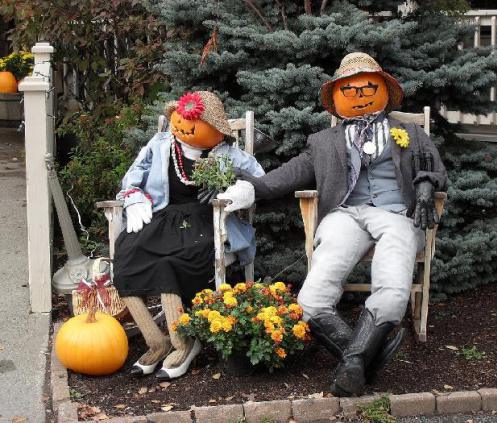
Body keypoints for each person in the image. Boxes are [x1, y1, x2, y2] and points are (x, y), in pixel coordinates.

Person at [219, 52, 447, 395]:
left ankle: (354, 363)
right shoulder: (323, 141)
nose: (359, 94)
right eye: (349, 90)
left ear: (384, 91)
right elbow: (290, 173)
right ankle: (361, 359)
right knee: (313, 295)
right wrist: (251, 186)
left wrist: (426, 187)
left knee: (393, 280)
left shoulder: (410, 132)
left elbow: (434, 169)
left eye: (368, 87)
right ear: (337, 98)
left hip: (397, 213)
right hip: (345, 215)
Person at [113, 91, 264, 380]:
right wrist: (133, 197)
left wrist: (234, 191)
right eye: (180, 119)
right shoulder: (160, 144)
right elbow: (134, 174)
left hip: (205, 221)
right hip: (162, 218)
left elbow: (259, 178)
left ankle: (184, 343)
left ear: (216, 131)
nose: (184, 126)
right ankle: (157, 342)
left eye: (194, 122)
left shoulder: (227, 154)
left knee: (171, 263)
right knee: (127, 256)